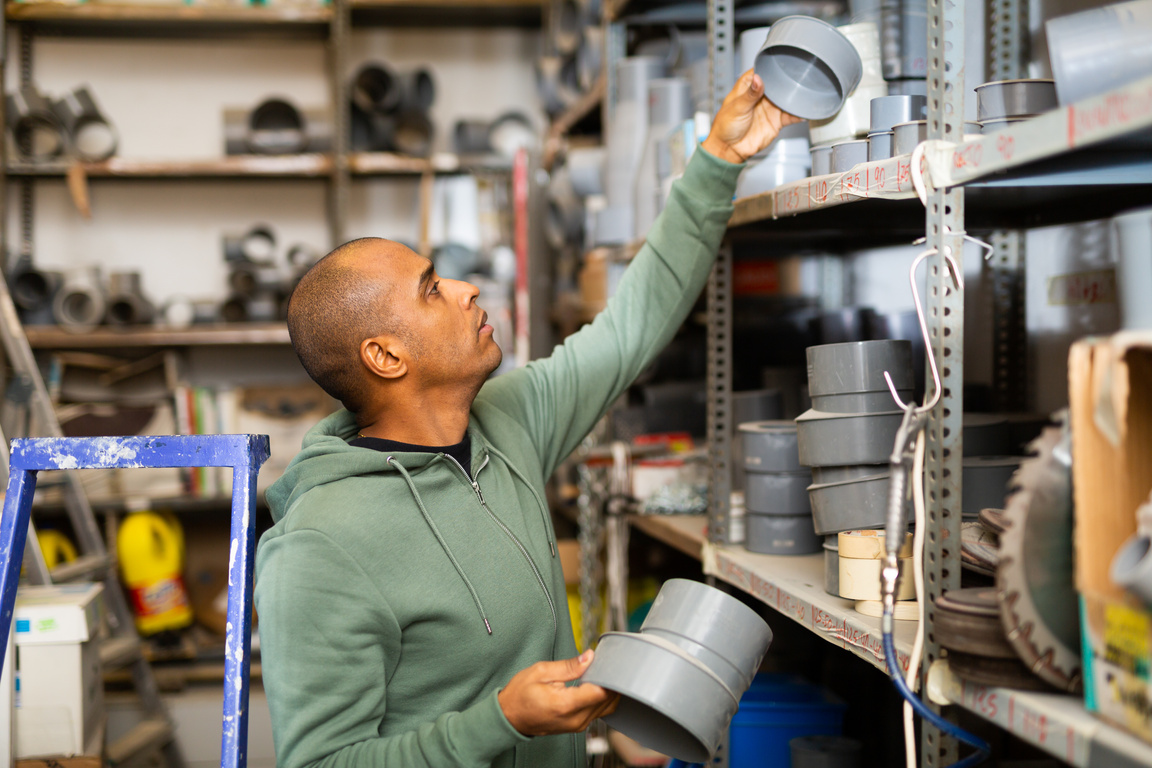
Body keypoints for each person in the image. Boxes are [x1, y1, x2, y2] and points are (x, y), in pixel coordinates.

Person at [255, 69, 799, 768]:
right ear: (385, 356)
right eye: (431, 289)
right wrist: (499, 723)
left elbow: (631, 328)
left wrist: (719, 159)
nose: (465, 288)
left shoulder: (505, 421)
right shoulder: (319, 548)